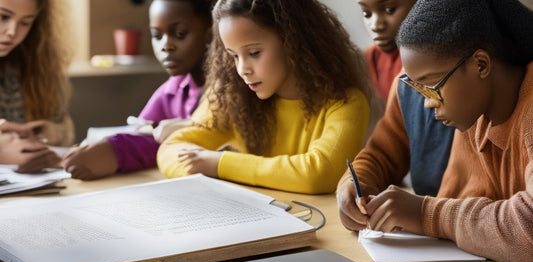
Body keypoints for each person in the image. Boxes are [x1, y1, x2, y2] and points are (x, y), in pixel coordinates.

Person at [338, 0, 533, 262]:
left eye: (431, 88)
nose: (427, 103)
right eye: (418, 89)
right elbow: (381, 154)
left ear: (480, 65)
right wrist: (353, 184)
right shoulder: (471, 105)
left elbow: (528, 227)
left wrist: (425, 214)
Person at [156, 0, 375, 195]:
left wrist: (218, 164)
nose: (242, 69)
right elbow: (170, 149)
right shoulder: (232, 96)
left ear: (292, 42)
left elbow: (320, 174)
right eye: (233, 56)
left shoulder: (346, 103)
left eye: (253, 53)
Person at [62, 0, 212, 181]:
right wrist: (106, 148)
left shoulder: (230, 90)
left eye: (180, 34)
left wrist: (118, 152)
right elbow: (141, 131)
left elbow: (204, 142)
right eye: (157, 36)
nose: (166, 46)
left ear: (211, 34)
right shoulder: (171, 90)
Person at [0, 0, 73, 173]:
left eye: (25, 22)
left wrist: (52, 133)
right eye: (3, 17)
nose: (12, 32)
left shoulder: (32, 63)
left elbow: (65, 127)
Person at [358, 0, 416, 101]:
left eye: (390, 10)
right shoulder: (370, 58)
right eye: (366, 13)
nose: (375, 26)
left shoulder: (431, 59)